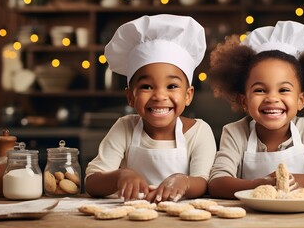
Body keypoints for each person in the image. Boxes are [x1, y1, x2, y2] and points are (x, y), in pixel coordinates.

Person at [207, 20, 304, 199]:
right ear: (244, 100)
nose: (272, 98)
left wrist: (299, 181)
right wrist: (259, 184)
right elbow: (217, 184)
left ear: (301, 100)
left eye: (284, 90)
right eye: (260, 90)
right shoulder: (235, 133)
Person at [85, 14, 217, 203]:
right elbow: (92, 182)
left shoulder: (198, 132)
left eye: (171, 86)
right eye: (147, 86)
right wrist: (121, 176)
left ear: (188, 95)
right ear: (131, 96)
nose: (159, 96)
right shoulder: (124, 128)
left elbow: (203, 182)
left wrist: (184, 182)